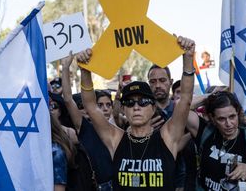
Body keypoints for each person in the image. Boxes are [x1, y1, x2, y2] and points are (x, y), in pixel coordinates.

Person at [77, 36, 195, 190]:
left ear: (153, 108)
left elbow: (185, 98)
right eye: (130, 103)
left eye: (143, 102)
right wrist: (85, 71)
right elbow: (91, 107)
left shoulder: (167, 137)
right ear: (123, 109)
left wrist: (188, 58)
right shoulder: (116, 139)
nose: (136, 107)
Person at [61, 54, 114, 190]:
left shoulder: (120, 131)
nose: (105, 109)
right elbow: (68, 99)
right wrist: (65, 67)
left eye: (108, 105)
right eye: (99, 105)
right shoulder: (86, 128)